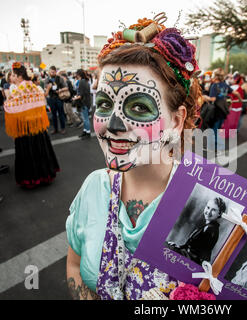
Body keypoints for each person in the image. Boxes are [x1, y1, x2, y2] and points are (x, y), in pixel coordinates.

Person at [66, 16, 202, 300]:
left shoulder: (206, 203)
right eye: (104, 103)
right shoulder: (93, 188)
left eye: (139, 107)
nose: (113, 125)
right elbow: (75, 264)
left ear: (177, 121)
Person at [3, 62, 60, 188]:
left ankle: (32, 179)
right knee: (41, 151)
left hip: (25, 127)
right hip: (37, 126)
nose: (12, 77)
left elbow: (9, 105)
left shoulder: (20, 89)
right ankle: (45, 176)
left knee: (29, 154)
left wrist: (7, 103)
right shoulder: (34, 87)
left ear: (19, 76)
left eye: (13, 75)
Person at [167, 197, 226, 265]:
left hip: (190, 261)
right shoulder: (207, 226)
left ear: (219, 213)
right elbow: (193, 245)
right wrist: (179, 246)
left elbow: (199, 254)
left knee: (166, 247)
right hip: (187, 255)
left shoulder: (211, 229)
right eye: (208, 207)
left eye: (214, 210)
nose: (208, 212)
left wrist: (179, 250)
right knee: (168, 246)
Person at [44, 66, 67, 134]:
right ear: (49, 72)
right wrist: (48, 87)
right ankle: (55, 129)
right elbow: (45, 88)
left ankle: (63, 128)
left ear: (56, 72)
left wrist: (60, 90)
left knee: (61, 114)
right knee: (53, 115)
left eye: (54, 72)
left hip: (59, 98)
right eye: (51, 72)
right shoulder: (47, 79)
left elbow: (66, 87)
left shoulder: (60, 78)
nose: (52, 73)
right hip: (51, 98)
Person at [72, 69, 92, 139]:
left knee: (85, 119)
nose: (75, 75)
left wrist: (74, 98)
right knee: (85, 118)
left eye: (76, 74)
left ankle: (88, 133)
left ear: (78, 74)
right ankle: (85, 131)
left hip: (84, 103)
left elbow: (80, 95)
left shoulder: (81, 82)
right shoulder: (85, 81)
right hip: (86, 102)